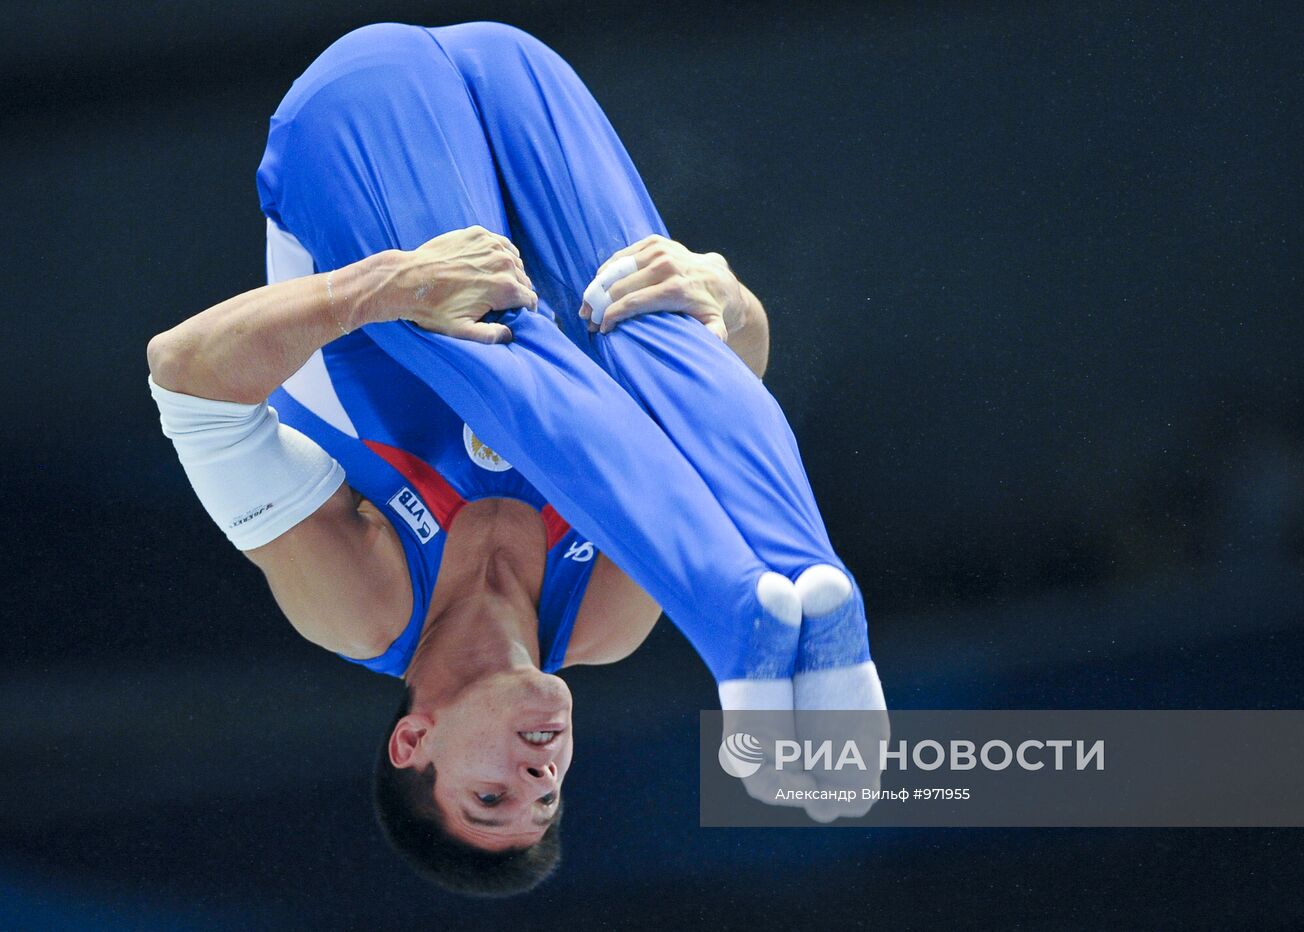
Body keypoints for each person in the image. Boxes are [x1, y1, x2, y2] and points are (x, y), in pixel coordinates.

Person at [146, 22, 885, 897]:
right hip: (519, 73)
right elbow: (727, 392)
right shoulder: (603, 623)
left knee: (479, 354)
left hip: (363, 119)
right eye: (547, 803)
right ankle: (800, 595)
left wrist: (375, 289)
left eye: (490, 796)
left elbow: (187, 381)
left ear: (412, 742)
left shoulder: (361, 606)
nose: (540, 780)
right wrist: (720, 297)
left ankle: (733, 632)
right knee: (656, 333)